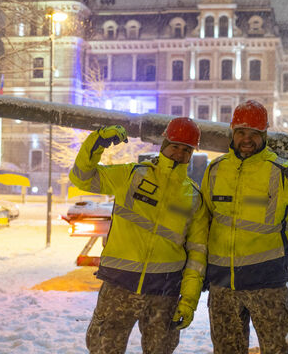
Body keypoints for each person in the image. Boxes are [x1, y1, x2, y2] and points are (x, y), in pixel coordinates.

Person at [200, 100, 288, 354]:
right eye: (241, 132)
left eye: (254, 133)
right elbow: (203, 223)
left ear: (264, 135)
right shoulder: (215, 170)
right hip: (222, 287)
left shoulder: (281, 173)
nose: (246, 139)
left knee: (278, 351)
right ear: (232, 133)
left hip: (267, 287)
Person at [68, 118, 209, 354]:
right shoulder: (131, 176)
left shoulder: (193, 197)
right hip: (118, 287)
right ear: (164, 144)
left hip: (164, 294)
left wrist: (189, 301)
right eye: (175, 146)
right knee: (102, 349)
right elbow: (81, 177)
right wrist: (96, 142)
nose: (179, 154)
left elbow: (197, 254)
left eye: (186, 149)